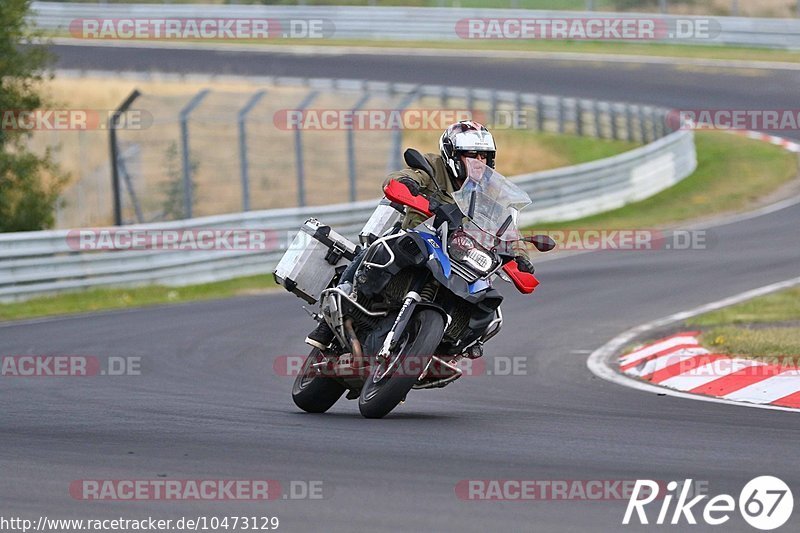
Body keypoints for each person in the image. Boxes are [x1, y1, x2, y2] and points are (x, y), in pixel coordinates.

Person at [305, 120, 534, 350]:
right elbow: (402, 178)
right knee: (376, 248)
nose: (479, 162)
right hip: (417, 237)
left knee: (486, 300)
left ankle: (451, 347)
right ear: (453, 155)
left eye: (484, 157)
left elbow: (506, 228)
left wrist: (519, 255)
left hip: (457, 254)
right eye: (472, 155)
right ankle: (329, 319)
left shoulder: (488, 189)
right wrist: (407, 183)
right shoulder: (433, 166)